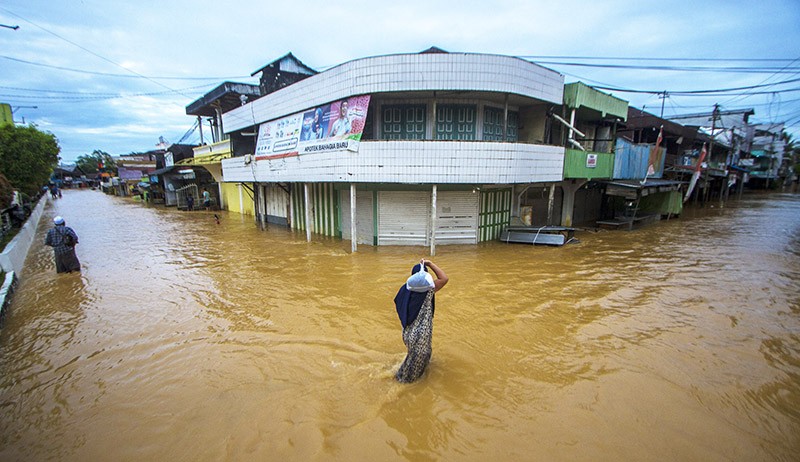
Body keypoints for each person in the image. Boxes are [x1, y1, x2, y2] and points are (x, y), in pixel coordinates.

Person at [393, 259, 448, 383]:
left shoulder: (405, 290)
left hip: (408, 334)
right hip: (420, 336)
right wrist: (430, 264)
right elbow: (444, 278)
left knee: (414, 360)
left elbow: (398, 303)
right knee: (410, 379)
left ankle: (397, 375)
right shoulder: (428, 291)